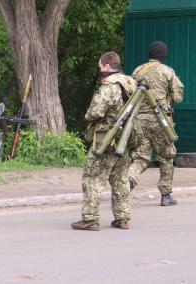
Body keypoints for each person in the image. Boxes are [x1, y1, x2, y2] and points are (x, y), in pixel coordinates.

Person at [71, 51, 136, 231]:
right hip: (126, 139)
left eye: (100, 67)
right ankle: (122, 218)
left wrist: (88, 116)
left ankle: (90, 218)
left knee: (93, 177)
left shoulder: (109, 87)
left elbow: (94, 112)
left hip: (106, 140)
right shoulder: (131, 84)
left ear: (107, 66)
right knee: (120, 178)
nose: (100, 70)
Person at [128, 41, 184, 206]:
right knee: (166, 157)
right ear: (163, 55)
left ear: (150, 54)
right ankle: (165, 195)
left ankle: (129, 180)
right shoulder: (167, 71)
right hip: (161, 121)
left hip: (139, 121)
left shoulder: (138, 70)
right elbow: (177, 97)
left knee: (140, 157)